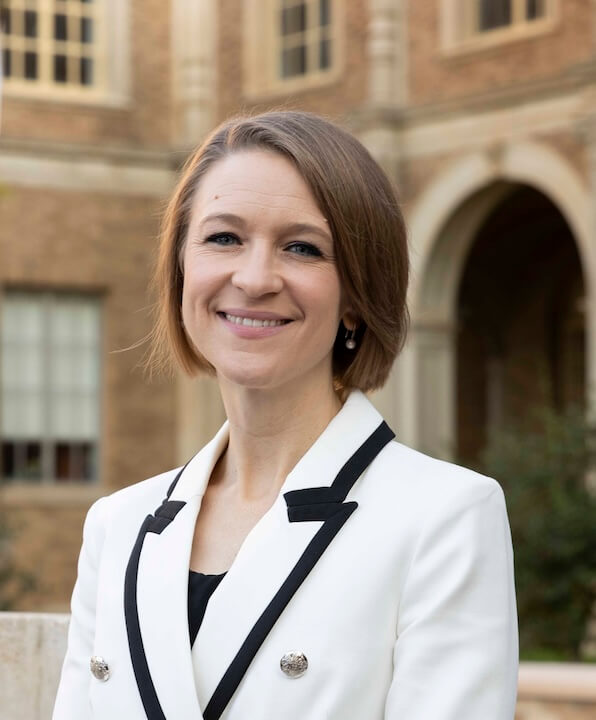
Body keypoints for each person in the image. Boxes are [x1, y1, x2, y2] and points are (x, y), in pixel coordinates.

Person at [53, 111, 518, 720]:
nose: (254, 279)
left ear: (356, 298)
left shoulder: (445, 518)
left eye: (302, 248)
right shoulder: (117, 527)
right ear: (182, 269)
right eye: (224, 238)